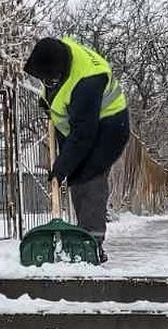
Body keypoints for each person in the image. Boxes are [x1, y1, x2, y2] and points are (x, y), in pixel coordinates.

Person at [24, 36, 130, 263]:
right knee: (75, 173)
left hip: (109, 127)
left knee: (89, 175)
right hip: (80, 125)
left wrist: (61, 167)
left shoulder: (88, 81)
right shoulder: (58, 55)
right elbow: (58, 93)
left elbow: (83, 135)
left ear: (59, 70)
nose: (45, 81)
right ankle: (83, 234)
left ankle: (92, 242)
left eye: (47, 78)